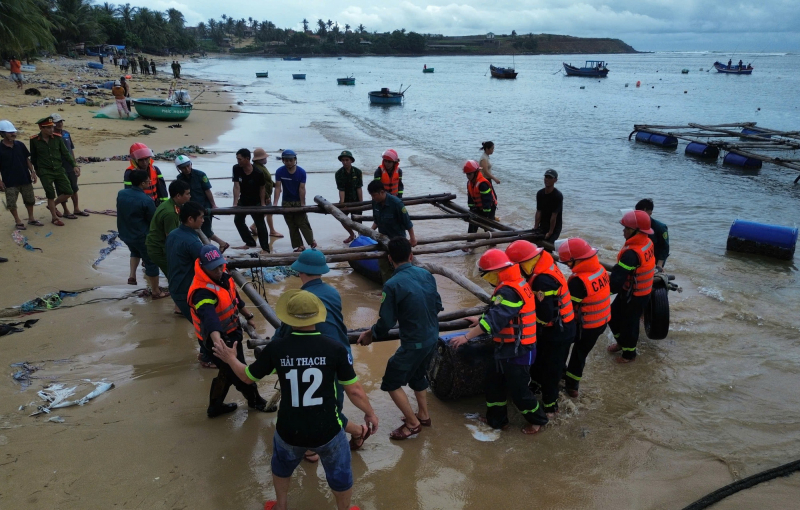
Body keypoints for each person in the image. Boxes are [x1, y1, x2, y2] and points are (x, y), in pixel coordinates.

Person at [213, 289, 378, 510]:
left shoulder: (277, 348)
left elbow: (247, 376)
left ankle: (281, 506)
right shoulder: (335, 349)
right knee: (340, 472)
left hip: (289, 429)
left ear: (288, 318)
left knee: (281, 467)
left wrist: (231, 358)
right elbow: (355, 390)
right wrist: (370, 413)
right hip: (327, 429)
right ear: (318, 316)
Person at [273, 249, 374, 451]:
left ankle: (357, 431)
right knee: (323, 404)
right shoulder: (332, 292)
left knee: (328, 409)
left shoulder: (301, 300)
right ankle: (313, 446)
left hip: (325, 358)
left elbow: (284, 331)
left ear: (300, 272)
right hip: (340, 352)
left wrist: (274, 349)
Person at [449, 249, 548, 434]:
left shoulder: (510, 291)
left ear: (496, 272)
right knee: (493, 383)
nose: (487, 280)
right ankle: (497, 420)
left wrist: (466, 338)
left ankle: (538, 421)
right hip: (505, 348)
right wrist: (480, 319)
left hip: (519, 350)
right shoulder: (514, 283)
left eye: (487, 275)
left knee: (519, 391)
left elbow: (493, 321)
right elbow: (497, 311)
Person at [357, 237, 441, 440]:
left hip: (415, 342)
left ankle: (412, 424)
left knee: (391, 382)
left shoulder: (392, 284)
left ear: (389, 259)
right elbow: (437, 305)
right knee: (417, 376)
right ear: (411, 256)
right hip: (432, 336)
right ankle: (423, 415)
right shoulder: (426, 274)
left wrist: (371, 334)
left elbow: (386, 322)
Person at [187, 244, 275, 417]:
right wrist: (220, 344)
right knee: (238, 371)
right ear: (204, 267)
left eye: (221, 265)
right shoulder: (201, 292)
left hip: (231, 331)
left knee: (227, 371)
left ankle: (215, 407)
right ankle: (255, 400)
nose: (220, 270)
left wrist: (248, 315)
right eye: (214, 268)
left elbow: (235, 297)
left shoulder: (224, 276)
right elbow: (209, 318)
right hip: (216, 339)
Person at [506, 240, 576, 417]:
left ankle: (550, 407)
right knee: (544, 363)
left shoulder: (542, 281)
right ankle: (538, 386)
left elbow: (544, 316)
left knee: (551, 369)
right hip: (561, 326)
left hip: (557, 331)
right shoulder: (545, 265)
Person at [558, 238, 611, 398]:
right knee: (581, 354)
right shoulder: (600, 269)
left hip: (584, 325)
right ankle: (573, 386)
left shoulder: (578, 281)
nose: (567, 265)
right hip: (601, 321)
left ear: (577, 259)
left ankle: (564, 379)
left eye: (568, 262)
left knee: (562, 347)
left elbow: (567, 308)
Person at [607, 210, 656, 363]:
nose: (623, 231)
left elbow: (616, 282)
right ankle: (622, 343)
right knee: (613, 316)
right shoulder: (647, 242)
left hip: (634, 295)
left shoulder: (631, 254)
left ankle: (629, 355)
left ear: (637, 231)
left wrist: (598, 292)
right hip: (639, 291)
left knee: (630, 323)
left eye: (626, 228)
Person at [116, 169, 167, 297]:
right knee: (151, 261)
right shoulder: (146, 200)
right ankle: (155, 291)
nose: (150, 182)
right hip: (142, 236)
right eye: (147, 180)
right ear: (143, 183)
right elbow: (153, 221)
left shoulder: (121, 194)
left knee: (134, 251)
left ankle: (132, 275)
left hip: (125, 233)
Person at [174, 155, 230, 252]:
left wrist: (213, 205)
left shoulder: (200, 175)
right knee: (197, 231)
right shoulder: (179, 178)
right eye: (183, 167)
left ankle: (215, 248)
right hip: (190, 209)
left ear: (191, 164)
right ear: (179, 168)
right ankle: (212, 248)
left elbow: (207, 191)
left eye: (188, 166)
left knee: (206, 230)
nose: (187, 169)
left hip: (204, 207)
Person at [29, 117, 78, 226]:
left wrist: (74, 165)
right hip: (45, 171)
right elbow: (34, 157)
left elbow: (66, 153)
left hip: (59, 169)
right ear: (41, 128)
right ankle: (54, 218)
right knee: (50, 194)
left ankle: (53, 204)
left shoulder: (57, 138)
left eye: (52, 127)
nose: (52, 130)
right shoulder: (34, 140)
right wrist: (37, 171)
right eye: (49, 128)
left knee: (69, 191)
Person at [367, 181, 416, 282]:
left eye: (374, 195)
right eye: (371, 195)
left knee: (400, 266)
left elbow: (407, 223)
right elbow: (377, 221)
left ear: (381, 192)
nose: (373, 198)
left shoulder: (396, 203)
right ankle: (388, 287)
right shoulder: (375, 203)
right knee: (383, 265)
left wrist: (412, 238)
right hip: (382, 239)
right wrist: (370, 232)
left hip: (397, 241)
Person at [0, 120, 41, 230]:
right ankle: (18, 221)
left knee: (30, 200)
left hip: (25, 178)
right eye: (10, 133)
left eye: (14, 132)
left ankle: (31, 219)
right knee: (11, 203)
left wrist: (32, 172)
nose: (13, 134)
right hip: (9, 181)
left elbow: (26, 159)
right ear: (2, 134)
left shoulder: (20, 145)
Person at [146, 179, 191, 277]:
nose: (190, 196)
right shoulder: (171, 213)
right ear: (178, 196)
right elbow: (171, 238)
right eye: (187, 194)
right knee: (176, 275)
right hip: (159, 249)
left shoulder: (170, 204)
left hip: (156, 245)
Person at [274, 149, 315, 252]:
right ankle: (299, 246)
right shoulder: (280, 171)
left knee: (302, 223)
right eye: (286, 160)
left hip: (297, 201)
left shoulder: (301, 172)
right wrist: (275, 203)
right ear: (283, 160)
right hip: (286, 202)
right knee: (291, 225)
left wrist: (302, 204)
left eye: (291, 160)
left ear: (295, 160)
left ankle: (311, 241)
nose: (289, 163)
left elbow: (302, 189)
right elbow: (278, 188)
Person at [232, 148, 270, 253]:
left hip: (256, 201)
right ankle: (250, 242)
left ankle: (265, 248)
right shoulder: (236, 168)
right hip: (243, 200)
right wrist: (235, 203)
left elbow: (262, 188)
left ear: (247, 159)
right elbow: (236, 186)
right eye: (237, 159)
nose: (238, 161)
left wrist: (262, 204)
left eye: (240, 159)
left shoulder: (258, 172)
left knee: (260, 224)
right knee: (238, 220)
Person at [51, 114, 87, 217]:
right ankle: (65, 210)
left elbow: (71, 150)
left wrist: (75, 165)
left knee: (74, 188)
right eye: (57, 122)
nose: (59, 124)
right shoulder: (51, 136)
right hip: (59, 167)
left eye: (61, 121)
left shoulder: (66, 134)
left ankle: (76, 209)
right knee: (63, 190)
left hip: (70, 166)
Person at [251, 147, 282, 239]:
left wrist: (275, 185)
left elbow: (268, 181)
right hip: (264, 195)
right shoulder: (258, 169)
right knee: (269, 212)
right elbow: (261, 185)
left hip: (265, 194)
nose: (266, 159)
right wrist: (267, 196)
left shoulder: (260, 167)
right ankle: (272, 231)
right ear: (260, 159)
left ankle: (254, 226)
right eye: (265, 157)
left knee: (265, 213)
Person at [334, 150, 363, 243]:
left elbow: (359, 188)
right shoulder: (338, 174)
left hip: (356, 200)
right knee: (342, 219)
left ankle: (361, 237)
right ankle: (351, 234)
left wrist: (361, 203)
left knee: (358, 222)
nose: (345, 162)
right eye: (343, 160)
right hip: (345, 201)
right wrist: (342, 204)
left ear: (351, 160)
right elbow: (341, 189)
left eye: (347, 160)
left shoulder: (358, 172)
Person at [463, 159, 497, 234]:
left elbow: (487, 200)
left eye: (469, 174)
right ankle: (470, 243)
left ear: (475, 173)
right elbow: (470, 199)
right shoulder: (469, 183)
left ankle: (492, 243)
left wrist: (485, 215)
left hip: (489, 208)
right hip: (478, 207)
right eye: (467, 174)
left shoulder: (483, 184)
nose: (468, 176)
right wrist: (472, 209)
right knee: (472, 226)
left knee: (488, 228)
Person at [635, 198, 669, 270]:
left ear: (650, 213)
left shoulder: (660, 228)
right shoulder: (635, 225)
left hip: (655, 259)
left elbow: (664, 248)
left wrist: (659, 265)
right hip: (640, 256)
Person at [534, 168, 564, 241]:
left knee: (548, 246)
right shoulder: (540, 193)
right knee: (539, 245)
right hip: (543, 224)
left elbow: (554, 216)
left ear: (555, 180)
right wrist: (536, 227)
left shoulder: (557, 196)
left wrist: (550, 232)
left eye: (550, 178)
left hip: (555, 227)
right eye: (546, 177)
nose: (547, 179)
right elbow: (538, 211)